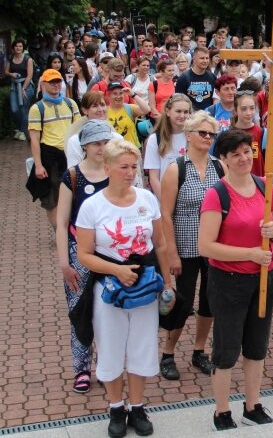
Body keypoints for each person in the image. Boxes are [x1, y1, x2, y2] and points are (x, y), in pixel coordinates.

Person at [76, 139, 172, 437]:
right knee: (111, 347)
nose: (131, 173)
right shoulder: (92, 206)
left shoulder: (147, 199)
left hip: (144, 286)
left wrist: (168, 281)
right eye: (124, 167)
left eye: (134, 166)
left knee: (142, 346)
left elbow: (161, 243)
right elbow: (84, 254)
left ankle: (138, 406)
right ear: (108, 168)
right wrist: (117, 270)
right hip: (109, 288)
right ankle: (116, 407)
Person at [198, 129, 273, 430]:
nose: (243, 158)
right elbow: (206, 246)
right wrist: (249, 252)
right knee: (226, 349)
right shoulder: (216, 194)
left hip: (263, 279)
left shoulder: (266, 186)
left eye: (247, 151)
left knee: (257, 346)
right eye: (235, 154)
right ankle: (222, 411)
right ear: (223, 159)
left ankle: (253, 404)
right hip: (228, 282)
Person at [159, 111, 223, 380]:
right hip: (185, 247)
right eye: (203, 133)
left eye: (211, 134)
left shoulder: (219, 167)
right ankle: (168, 353)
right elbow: (165, 214)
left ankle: (199, 351)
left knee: (209, 301)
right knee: (182, 303)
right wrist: (171, 251)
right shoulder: (176, 169)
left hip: (213, 246)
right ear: (189, 135)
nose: (208, 138)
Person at [56, 120, 112, 394]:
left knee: (107, 310)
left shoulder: (116, 172)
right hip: (79, 254)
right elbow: (62, 221)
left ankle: (106, 364)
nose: (101, 148)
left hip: (111, 255)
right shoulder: (73, 176)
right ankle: (81, 368)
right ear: (85, 147)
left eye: (105, 143)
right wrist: (64, 262)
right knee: (80, 311)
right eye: (96, 144)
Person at [27, 69, 81, 228]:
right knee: (51, 197)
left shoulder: (71, 104)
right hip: (49, 156)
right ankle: (59, 231)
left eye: (58, 81)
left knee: (73, 193)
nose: (56, 85)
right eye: (52, 82)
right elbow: (34, 139)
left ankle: (70, 229)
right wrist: (38, 165)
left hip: (69, 154)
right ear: (43, 84)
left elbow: (78, 130)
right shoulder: (37, 108)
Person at [144, 94, 192, 200]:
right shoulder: (155, 139)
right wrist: (166, 203)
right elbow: (154, 178)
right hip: (164, 197)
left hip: (190, 199)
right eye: (178, 111)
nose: (182, 115)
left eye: (186, 112)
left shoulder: (194, 136)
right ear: (167, 111)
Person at [65, 91, 124, 167]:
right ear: (85, 110)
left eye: (102, 105)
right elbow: (73, 171)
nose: (100, 109)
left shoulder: (117, 138)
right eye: (94, 106)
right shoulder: (75, 141)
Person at [230, 91, 266, 176]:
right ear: (235, 110)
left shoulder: (262, 133)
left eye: (252, 108)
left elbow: (272, 163)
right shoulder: (228, 134)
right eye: (243, 109)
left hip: (257, 183)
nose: (249, 113)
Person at [6, 38, 35, 141]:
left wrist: (24, 88)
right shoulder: (11, 58)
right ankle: (19, 128)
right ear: (13, 47)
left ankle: (23, 131)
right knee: (14, 109)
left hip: (26, 85)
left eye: (20, 46)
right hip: (15, 85)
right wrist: (11, 74)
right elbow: (6, 71)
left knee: (23, 109)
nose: (18, 48)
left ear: (23, 48)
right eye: (16, 46)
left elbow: (30, 75)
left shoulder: (28, 59)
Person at [106, 81, 150, 149]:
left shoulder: (129, 108)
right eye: (115, 94)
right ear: (109, 95)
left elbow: (147, 109)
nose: (118, 96)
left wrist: (133, 95)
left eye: (121, 93)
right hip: (114, 152)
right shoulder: (104, 112)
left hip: (132, 150)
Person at [175, 46, 215, 112]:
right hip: (190, 117)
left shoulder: (212, 77)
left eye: (207, 58)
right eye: (202, 58)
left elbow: (215, 99)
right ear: (194, 59)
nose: (205, 61)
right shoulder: (184, 78)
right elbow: (178, 101)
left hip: (208, 117)